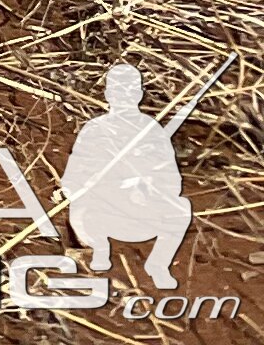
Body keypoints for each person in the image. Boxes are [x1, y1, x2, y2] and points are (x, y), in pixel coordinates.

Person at [64, 64, 196, 290]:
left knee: (181, 207)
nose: (124, 98)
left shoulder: (151, 129)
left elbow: (172, 180)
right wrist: (102, 184)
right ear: (107, 95)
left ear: (139, 95)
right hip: (101, 211)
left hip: (140, 210)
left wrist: (146, 185)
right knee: (81, 207)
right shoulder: (95, 129)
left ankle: (158, 264)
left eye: (131, 91)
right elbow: (71, 180)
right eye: (117, 92)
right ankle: (100, 250)